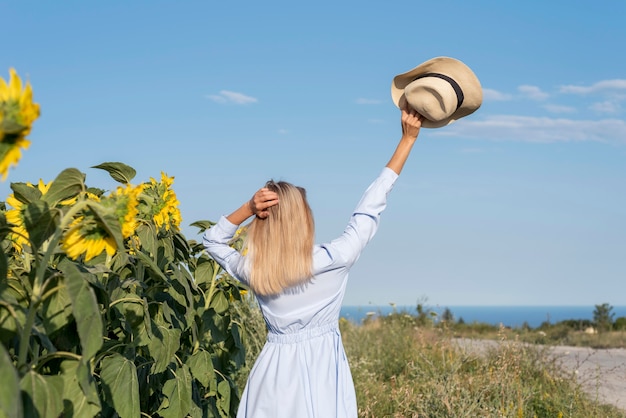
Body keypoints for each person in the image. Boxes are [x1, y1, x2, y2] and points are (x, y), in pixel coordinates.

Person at [203, 106, 423, 418]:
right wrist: (407, 140)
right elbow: (371, 205)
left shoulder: (254, 271)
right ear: (303, 220)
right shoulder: (333, 259)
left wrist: (249, 207)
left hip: (272, 377)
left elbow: (212, 239)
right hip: (322, 378)